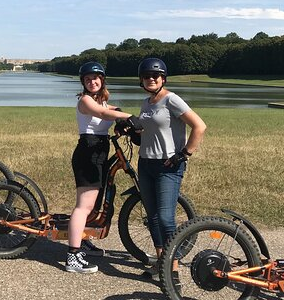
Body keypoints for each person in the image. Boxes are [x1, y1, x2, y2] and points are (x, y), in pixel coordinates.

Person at [135, 57, 206, 276]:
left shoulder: (172, 100)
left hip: (168, 165)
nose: (151, 79)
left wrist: (184, 154)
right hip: (145, 162)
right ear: (142, 80)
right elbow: (145, 131)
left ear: (163, 78)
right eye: (147, 76)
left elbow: (199, 126)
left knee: (166, 217)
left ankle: (172, 268)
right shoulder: (146, 103)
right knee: (153, 217)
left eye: (155, 76)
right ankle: (160, 261)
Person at [66, 61, 138, 274]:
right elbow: (103, 114)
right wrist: (130, 117)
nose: (92, 82)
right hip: (88, 154)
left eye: (95, 78)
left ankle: (83, 238)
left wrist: (123, 115)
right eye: (87, 79)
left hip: (98, 151)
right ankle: (72, 256)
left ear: (102, 80)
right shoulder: (86, 100)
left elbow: (110, 110)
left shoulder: (102, 101)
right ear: (83, 83)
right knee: (84, 206)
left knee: (95, 201)